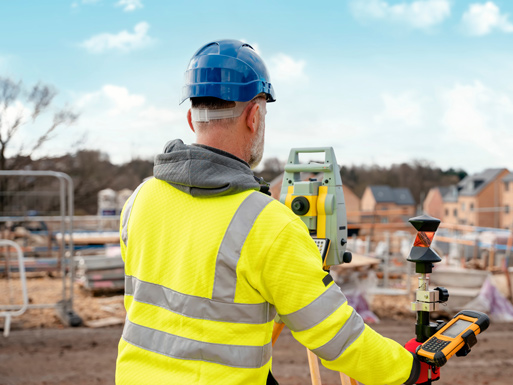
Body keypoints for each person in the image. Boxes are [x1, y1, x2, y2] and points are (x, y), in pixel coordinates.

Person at [115, 39, 428, 385]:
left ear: (191, 119)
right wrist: (409, 368)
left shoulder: (140, 199)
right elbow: (338, 336)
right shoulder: (266, 223)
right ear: (253, 116)